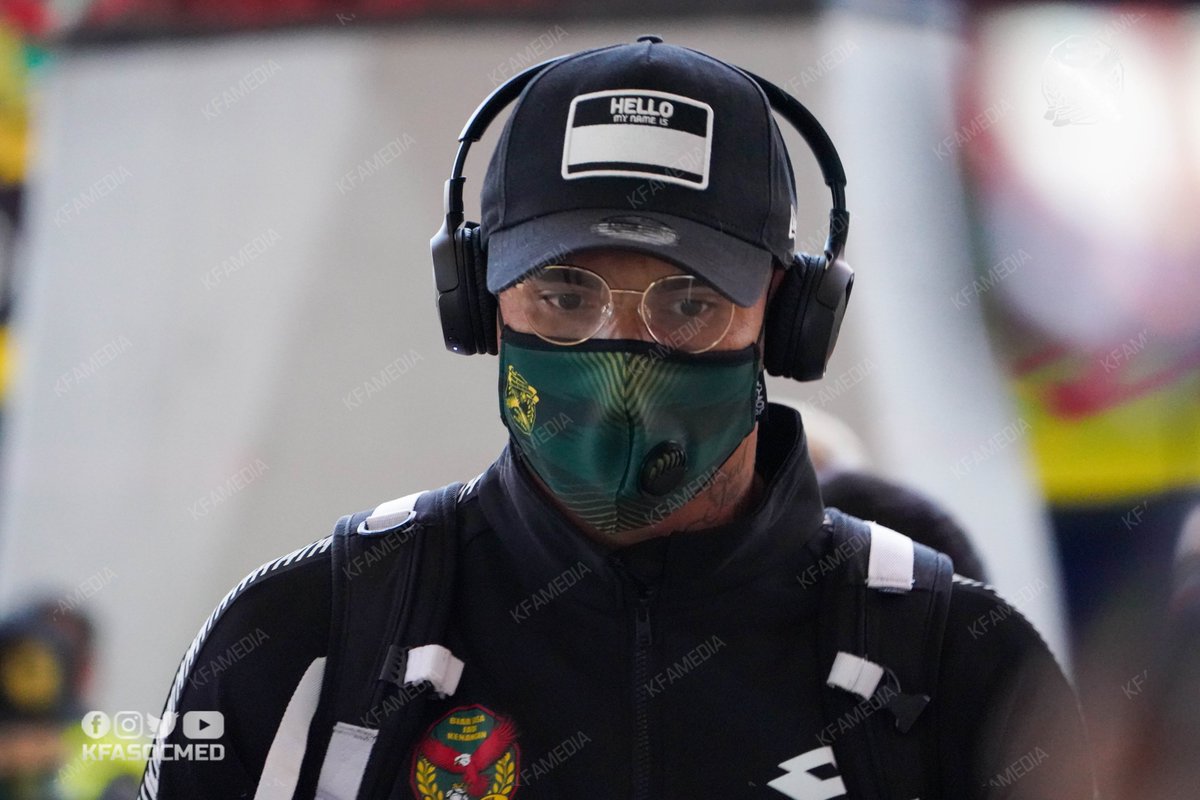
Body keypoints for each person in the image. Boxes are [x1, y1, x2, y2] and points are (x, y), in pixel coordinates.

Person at [140, 38, 1094, 799]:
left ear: (790, 318)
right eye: (563, 294)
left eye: (687, 302)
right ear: (478, 301)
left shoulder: (962, 665)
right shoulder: (306, 643)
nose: (622, 359)